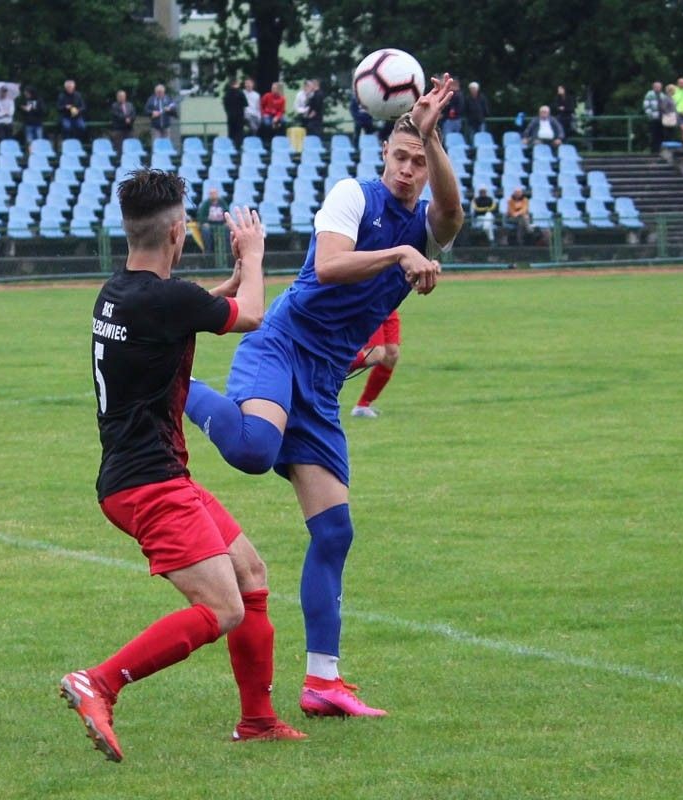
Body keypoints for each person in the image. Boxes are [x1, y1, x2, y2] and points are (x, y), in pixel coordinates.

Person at [182, 77, 463, 718]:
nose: (409, 169)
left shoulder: (427, 220)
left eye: (419, 162)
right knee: (254, 451)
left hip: (323, 381)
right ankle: (182, 386)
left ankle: (322, 683)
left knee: (334, 531)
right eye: (401, 157)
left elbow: (450, 216)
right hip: (281, 346)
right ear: (383, 158)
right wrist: (398, 254)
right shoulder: (351, 196)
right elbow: (332, 266)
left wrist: (434, 136)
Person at [60, 169, 305, 762]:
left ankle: (258, 720)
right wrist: (253, 254)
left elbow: (191, 308)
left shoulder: (118, 291)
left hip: (146, 474)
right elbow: (249, 314)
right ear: (178, 232)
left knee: (249, 572)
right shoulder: (166, 300)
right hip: (150, 485)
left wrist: (229, 282)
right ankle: (100, 681)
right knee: (222, 609)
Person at [348, 310, 401, 419]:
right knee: (375, 354)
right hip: (371, 301)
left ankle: (362, 406)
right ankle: (326, 371)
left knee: (391, 354)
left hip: (389, 302)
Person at [196, 186, 228, 253]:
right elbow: (201, 216)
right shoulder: (205, 204)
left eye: (214, 193)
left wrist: (226, 221)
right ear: (209, 195)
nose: (213, 195)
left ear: (217, 194)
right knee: (206, 230)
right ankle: (208, 251)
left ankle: (226, 251)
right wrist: (204, 222)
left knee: (228, 229)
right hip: (209, 224)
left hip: (221, 224)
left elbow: (227, 213)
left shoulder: (222, 203)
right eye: (211, 193)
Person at [223, 79, 248, 143]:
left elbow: (225, 105)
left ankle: (231, 147)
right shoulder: (240, 93)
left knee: (231, 133)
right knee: (239, 134)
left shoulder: (226, 94)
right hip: (239, 116)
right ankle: (238, 148)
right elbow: (246, 104)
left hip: (230, 116)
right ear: (236, 84)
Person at [643, 81, 664, 153]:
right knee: (653, 134)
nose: (658, 88)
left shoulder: (662, 95)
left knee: (660, 134)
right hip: (653, 118)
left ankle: (659, 149)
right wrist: (650, 115)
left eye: (660, 87)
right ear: (653, 87)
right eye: (657, 87)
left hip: (661, 118)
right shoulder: (649, 94)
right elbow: (646, 105)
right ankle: (653, 150)